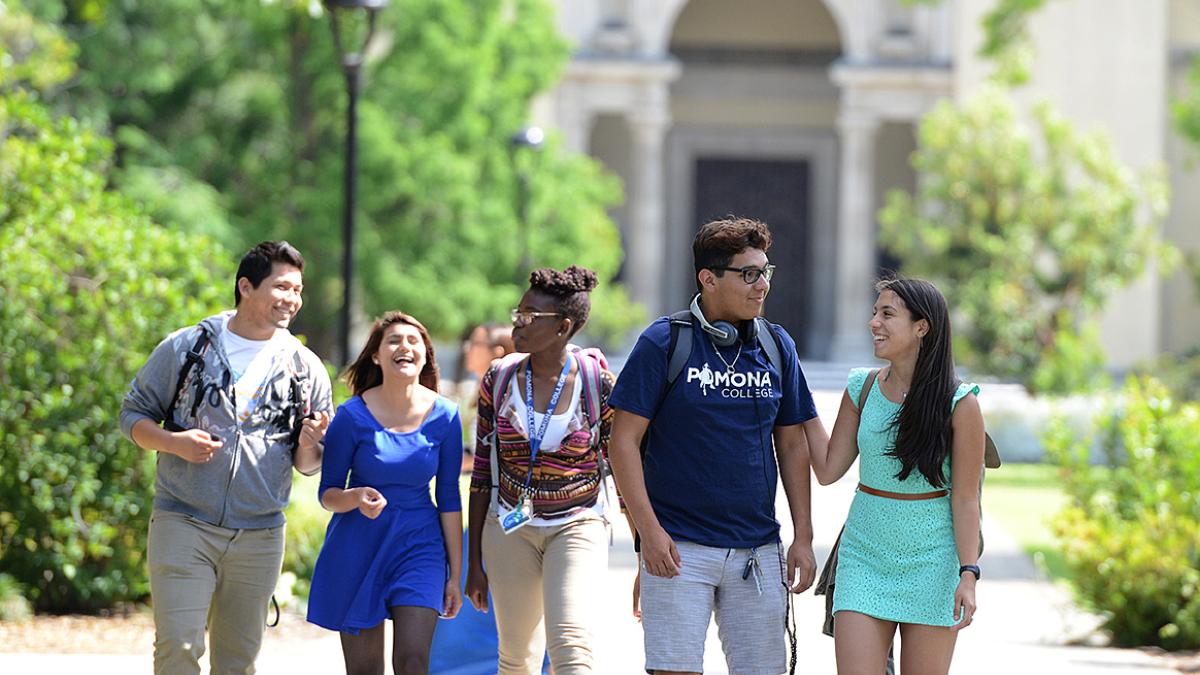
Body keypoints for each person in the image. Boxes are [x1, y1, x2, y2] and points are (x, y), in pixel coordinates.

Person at [607, 217, 820, 675]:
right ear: (708, 278)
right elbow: (622, 442)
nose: (762, 284)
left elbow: (792, 445)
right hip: (678, 548)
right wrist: (649, 535)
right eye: (748, 273)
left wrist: (803, 534)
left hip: (758, 552)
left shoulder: (776, 345)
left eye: (766, 272)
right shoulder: (664, 341)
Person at [120, 240, 333, 675]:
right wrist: (174, 443)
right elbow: (132, 415)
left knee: (237, 662)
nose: (292, 299)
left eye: (298, 290)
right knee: (178, 648)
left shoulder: (305, 367)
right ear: (245, 287)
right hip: (183, 521)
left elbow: (307, 465)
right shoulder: (187, 348)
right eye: (281, 287)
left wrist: (313, 442)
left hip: (260, 535)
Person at [805, 277, 985, 675]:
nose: (874, 323)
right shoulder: (862, 388)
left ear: (922, 327)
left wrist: (968, 574)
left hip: (933, 563)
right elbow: (827, 469)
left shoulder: (961, 403)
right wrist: (802, 406)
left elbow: (966, 499)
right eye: (874, 313)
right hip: (864, 557)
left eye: (887, 314)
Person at [464, 265, 616, 675]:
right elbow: (481, 472)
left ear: (563, 326)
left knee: (570, 647)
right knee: (516, 659)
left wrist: (644, 548)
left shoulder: (597, 383)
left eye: (531, 316)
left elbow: (618, 469)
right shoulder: (498, 378)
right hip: (511, 525)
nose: (518, 323)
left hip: (578, 523)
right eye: (518, 312)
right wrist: (474, 561)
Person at [306, 310, 464, 675]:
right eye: (393, 340)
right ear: (377, 355)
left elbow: (450, 499)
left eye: (413, 341)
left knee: (413, 661)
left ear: (425, 354)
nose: (404, 346)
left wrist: (454, 575)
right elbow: (328, 493)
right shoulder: (351, 415)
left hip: (419, 546)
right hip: (358, 545)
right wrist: (356, 497)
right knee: (365, 670)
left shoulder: (446, 416)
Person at [457, 322, 517, 470]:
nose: (467, 348)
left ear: (498, 352)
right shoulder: (487, 392)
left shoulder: (509, 398)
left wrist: (466, 462)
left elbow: (510, 455)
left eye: (474, 343)